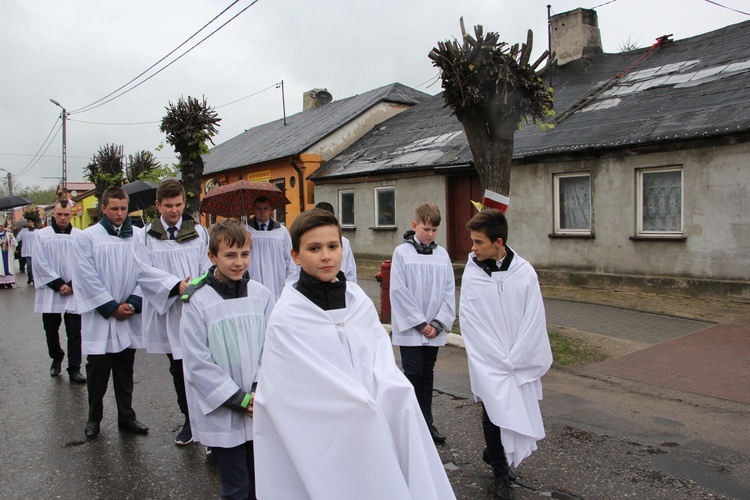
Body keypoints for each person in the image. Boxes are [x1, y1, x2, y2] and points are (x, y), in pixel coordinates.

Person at [254, 209, 455, 500]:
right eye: (314, 248)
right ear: (295, 256)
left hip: (372, 406)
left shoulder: (357, 301)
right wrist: (354, 401)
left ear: (342, 249)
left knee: (405, 401)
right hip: (323, 425)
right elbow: (286, 388)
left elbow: (378, 356)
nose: (326, 256)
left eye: (332, 247)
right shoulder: (287, 315)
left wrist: (392, 388)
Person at [459, 209, 552, 500]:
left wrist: (518, 356)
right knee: (492, 414)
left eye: (478, 242)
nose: (472, 248)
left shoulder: (524, 273)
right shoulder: (473, 273)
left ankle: (494, 453)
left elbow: (534, 318)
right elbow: (470, 319)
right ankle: (501, 474)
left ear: (498, 242)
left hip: (519, 358)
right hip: (489, 360)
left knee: (514, 408)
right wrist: (494, 357)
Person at [180, 219, 274, 500]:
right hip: (224, 409)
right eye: (230, 255)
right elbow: (197, 362)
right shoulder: (198, 300)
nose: (238, 263)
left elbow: (271, 349)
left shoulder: (262, 295)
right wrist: (239, 399)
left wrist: (257, 391)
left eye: (244, 254)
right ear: (212, 256)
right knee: (236, 488)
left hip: (258, 406)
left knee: (263, 484)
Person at [135, 179, 211, 446]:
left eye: (179, 204)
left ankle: (209, 421)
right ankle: (189, 420)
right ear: (158, 205)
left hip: (196, 308)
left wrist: (194, 287)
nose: (175, 210)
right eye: (169, 206)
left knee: (202, 365)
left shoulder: (199, 232)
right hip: (169, 311)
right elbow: (142, 271)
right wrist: (176, 286)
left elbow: (207, 265)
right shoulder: (144, 236)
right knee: (178, 368)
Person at [74, 187, 148, 439]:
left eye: (123, 208)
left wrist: (134, 303)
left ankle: (126, 417)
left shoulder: (138, 236)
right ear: (103, 209)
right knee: (98, 371)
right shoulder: (87, 237)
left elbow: (146, 272)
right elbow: (86, 277)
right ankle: (94, 418)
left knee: (125, 369)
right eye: (114, 208)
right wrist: (110, 307)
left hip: (128, 313)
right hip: (101, 316)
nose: (119, 213)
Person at [390, 202, 455, 443]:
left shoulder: (442, 255)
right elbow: (398, 291)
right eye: (426, 229)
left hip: (433, 329)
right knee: (413, 373)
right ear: (415, 225)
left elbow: (449, 291)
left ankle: (426, 423)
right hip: (412, 329)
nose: (430, 234)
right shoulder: (401, 253)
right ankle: (407, 423)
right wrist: (420, 323)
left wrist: (437, 324)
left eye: (434, 230)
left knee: (427, 375)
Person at [32, 201, 86, 383]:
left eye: (66, 214)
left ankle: (74, 368)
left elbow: (85, 263)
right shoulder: (41, 235)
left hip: (73, 290)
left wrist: (71, 284)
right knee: (50, 329)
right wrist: (58, 284)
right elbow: (39, 262)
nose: (63, 218)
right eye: (59, 214)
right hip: (51, 289)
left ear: (71, 215)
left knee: (74, 332)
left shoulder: (80, 236)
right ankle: (56, 357)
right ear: (53, 214)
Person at [244, 196, 296, 299]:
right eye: (259, 208)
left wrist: (290, 280)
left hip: (277, 278)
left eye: (265, 208)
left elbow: (289, 258)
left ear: (271, 209)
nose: (262, 212)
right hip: (254, 276)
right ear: (254, 209)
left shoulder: (282, 231)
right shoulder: (245, 229)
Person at [313, 201, 357, 283]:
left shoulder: (344, 242)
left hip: (338, 287)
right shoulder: (308, 241)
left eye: (333, 247)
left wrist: (349, 291)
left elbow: (350, 272)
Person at [17, 217, 38, 284]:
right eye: (27, 221)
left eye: (29, 221)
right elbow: (18, 238)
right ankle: (30, 277)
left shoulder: (37, 231)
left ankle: (34, 278)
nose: (28, 223)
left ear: (33, 222)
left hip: (35, 251)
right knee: (29, 265)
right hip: (27, 251)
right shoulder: (23, 230)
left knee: (34, 266)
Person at [0, 222, 16, 288]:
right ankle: (1, 283)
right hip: (0, 253)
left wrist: (11, 239)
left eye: (1, 226)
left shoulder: (8, 234)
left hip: (7, 252)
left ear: (3, 226)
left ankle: (8, 282)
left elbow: (14, 242)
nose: (0, 227)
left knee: (8, 266)